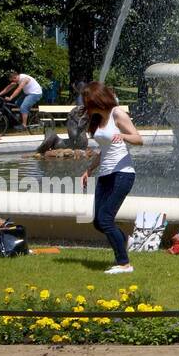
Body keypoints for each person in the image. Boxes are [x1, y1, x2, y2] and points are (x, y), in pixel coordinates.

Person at [79, 82, 143, 274]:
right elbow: (104, 149)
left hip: (122, 174)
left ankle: (124, 264)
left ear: (98, 99)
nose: (88, 107)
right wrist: (89, 169)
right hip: (105, 174)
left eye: (89, 103)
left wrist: (122, 136)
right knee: (98, 222)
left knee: (106, 219)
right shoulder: (98, 119)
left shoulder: (117, 114)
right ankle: (125, 240)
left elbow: (139, 139)